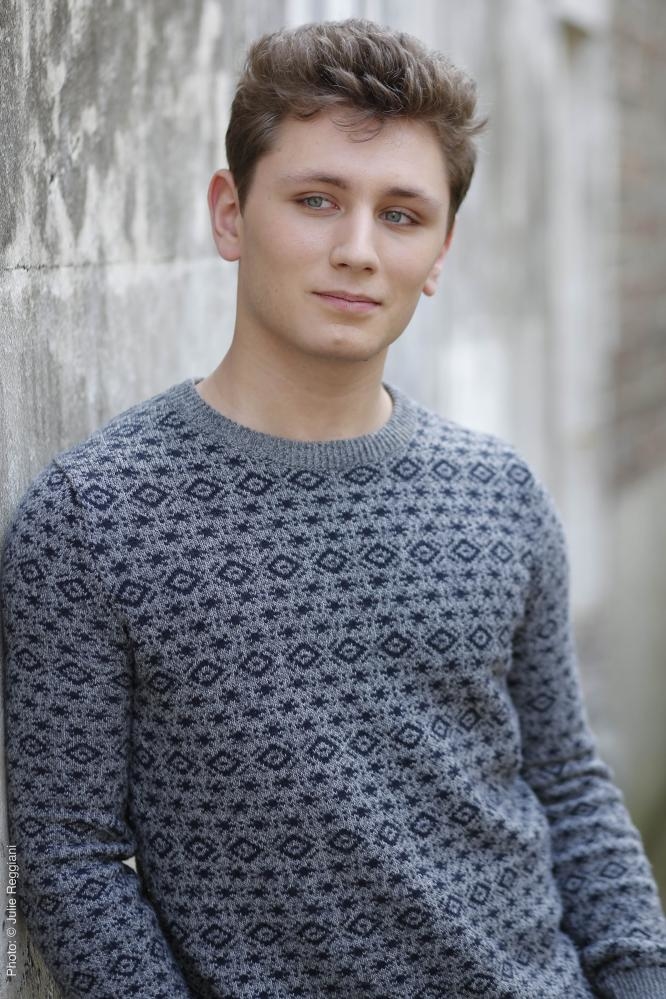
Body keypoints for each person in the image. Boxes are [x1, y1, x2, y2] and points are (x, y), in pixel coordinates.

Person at [1, 15, 665, 999]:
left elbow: (568, 783)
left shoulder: (499, 495)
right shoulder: (92, 518)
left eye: (402, 215)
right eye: (317, 200)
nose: (357, 249)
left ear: (439, 253)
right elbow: (71, 857)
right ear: (231, 213)